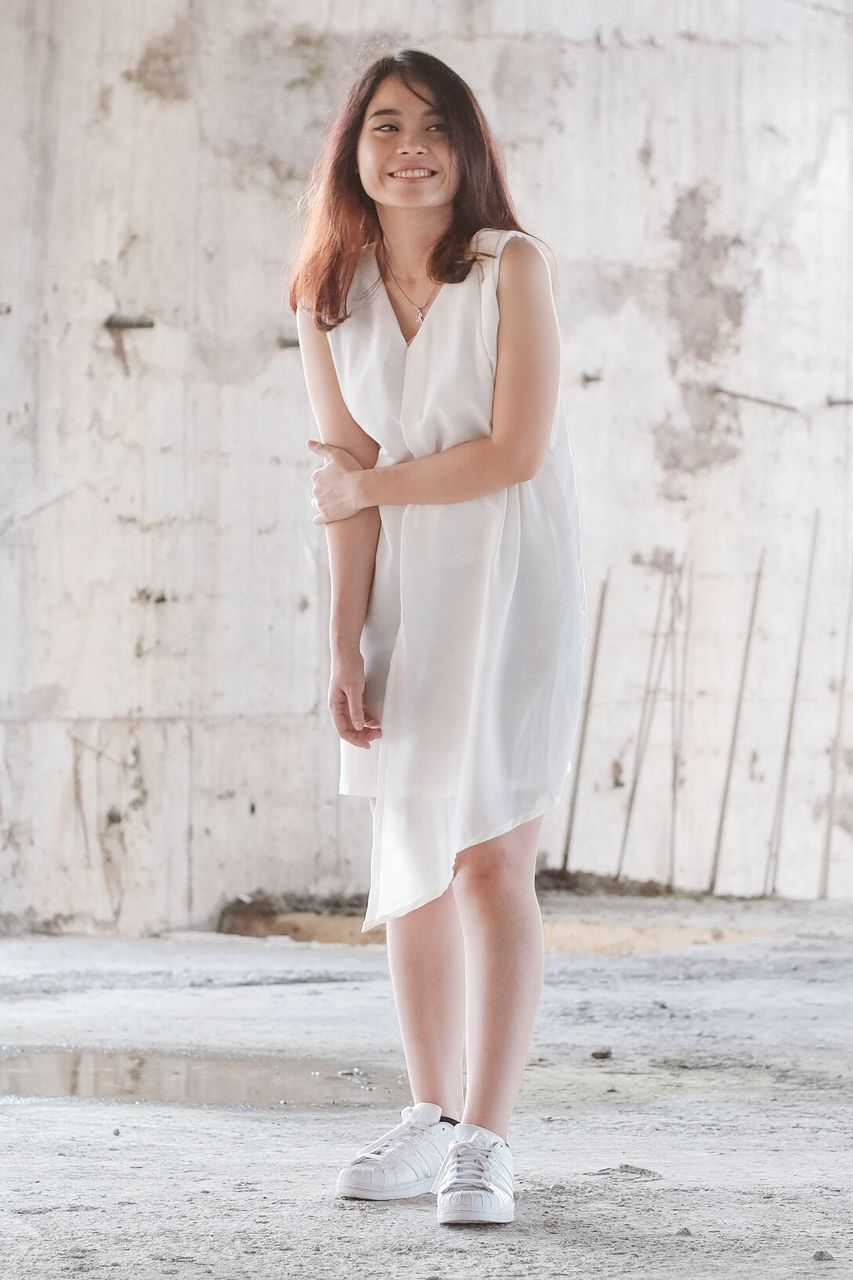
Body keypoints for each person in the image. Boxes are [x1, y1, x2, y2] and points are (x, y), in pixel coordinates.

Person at [289, 48, 587, 1227]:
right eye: (384, 125)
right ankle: (428, 1116)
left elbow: (514, 454)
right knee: (408, 859)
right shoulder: (325, 291)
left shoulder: (513, 267)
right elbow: (341, 482)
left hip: (515, 579)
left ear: (466, 151)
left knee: (489, 857)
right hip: (407, 589)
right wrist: (342, 644)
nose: (409, 146)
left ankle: (490, 1138)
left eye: (433, 127)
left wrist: (369, 494)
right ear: (353, 152)